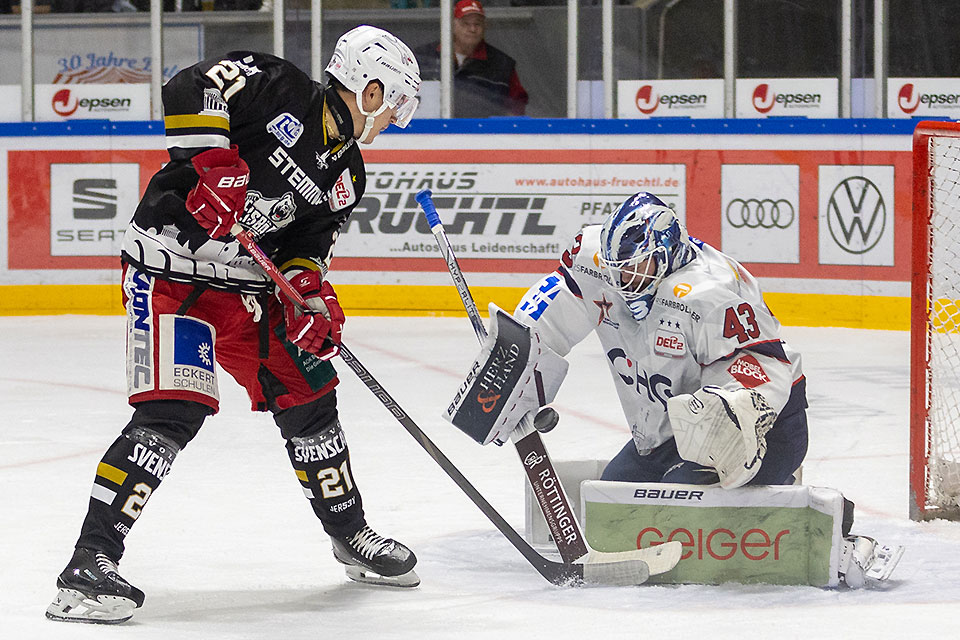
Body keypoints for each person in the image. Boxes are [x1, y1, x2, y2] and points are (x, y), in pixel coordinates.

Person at [46, 25, 423, 625]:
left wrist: (308, 294)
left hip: (247, 289)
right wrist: (213, 163)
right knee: (174, 410)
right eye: (395, 101)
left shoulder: (348, 174)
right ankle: (87, 566)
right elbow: (188, 86)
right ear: (370, 90)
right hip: (169, 270)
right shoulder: (276, 84)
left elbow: (306, 247)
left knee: (310, 394)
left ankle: (350, 534)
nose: (394, 119)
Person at [451, 192, 900, 586]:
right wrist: (515, 357)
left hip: (763, 429)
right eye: (619, 270)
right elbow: (556, 307)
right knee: (616, 511)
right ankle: (755, 487)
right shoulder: (597, 262)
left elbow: (764, 367)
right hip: (667, 430)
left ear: (665, 251)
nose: (624, 281)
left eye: (636, 268)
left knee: (679, 515)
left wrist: (727, 416)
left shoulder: (713, 290)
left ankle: (827, 518)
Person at [414, 0, 528, 117]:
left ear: (485, 26)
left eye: (477, 24)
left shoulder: (502, 64)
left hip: (484, 128)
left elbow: (516, 107)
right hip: (430, 128)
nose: (472, 29)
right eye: (465, 24)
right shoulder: (423, 57)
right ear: (452, 25)